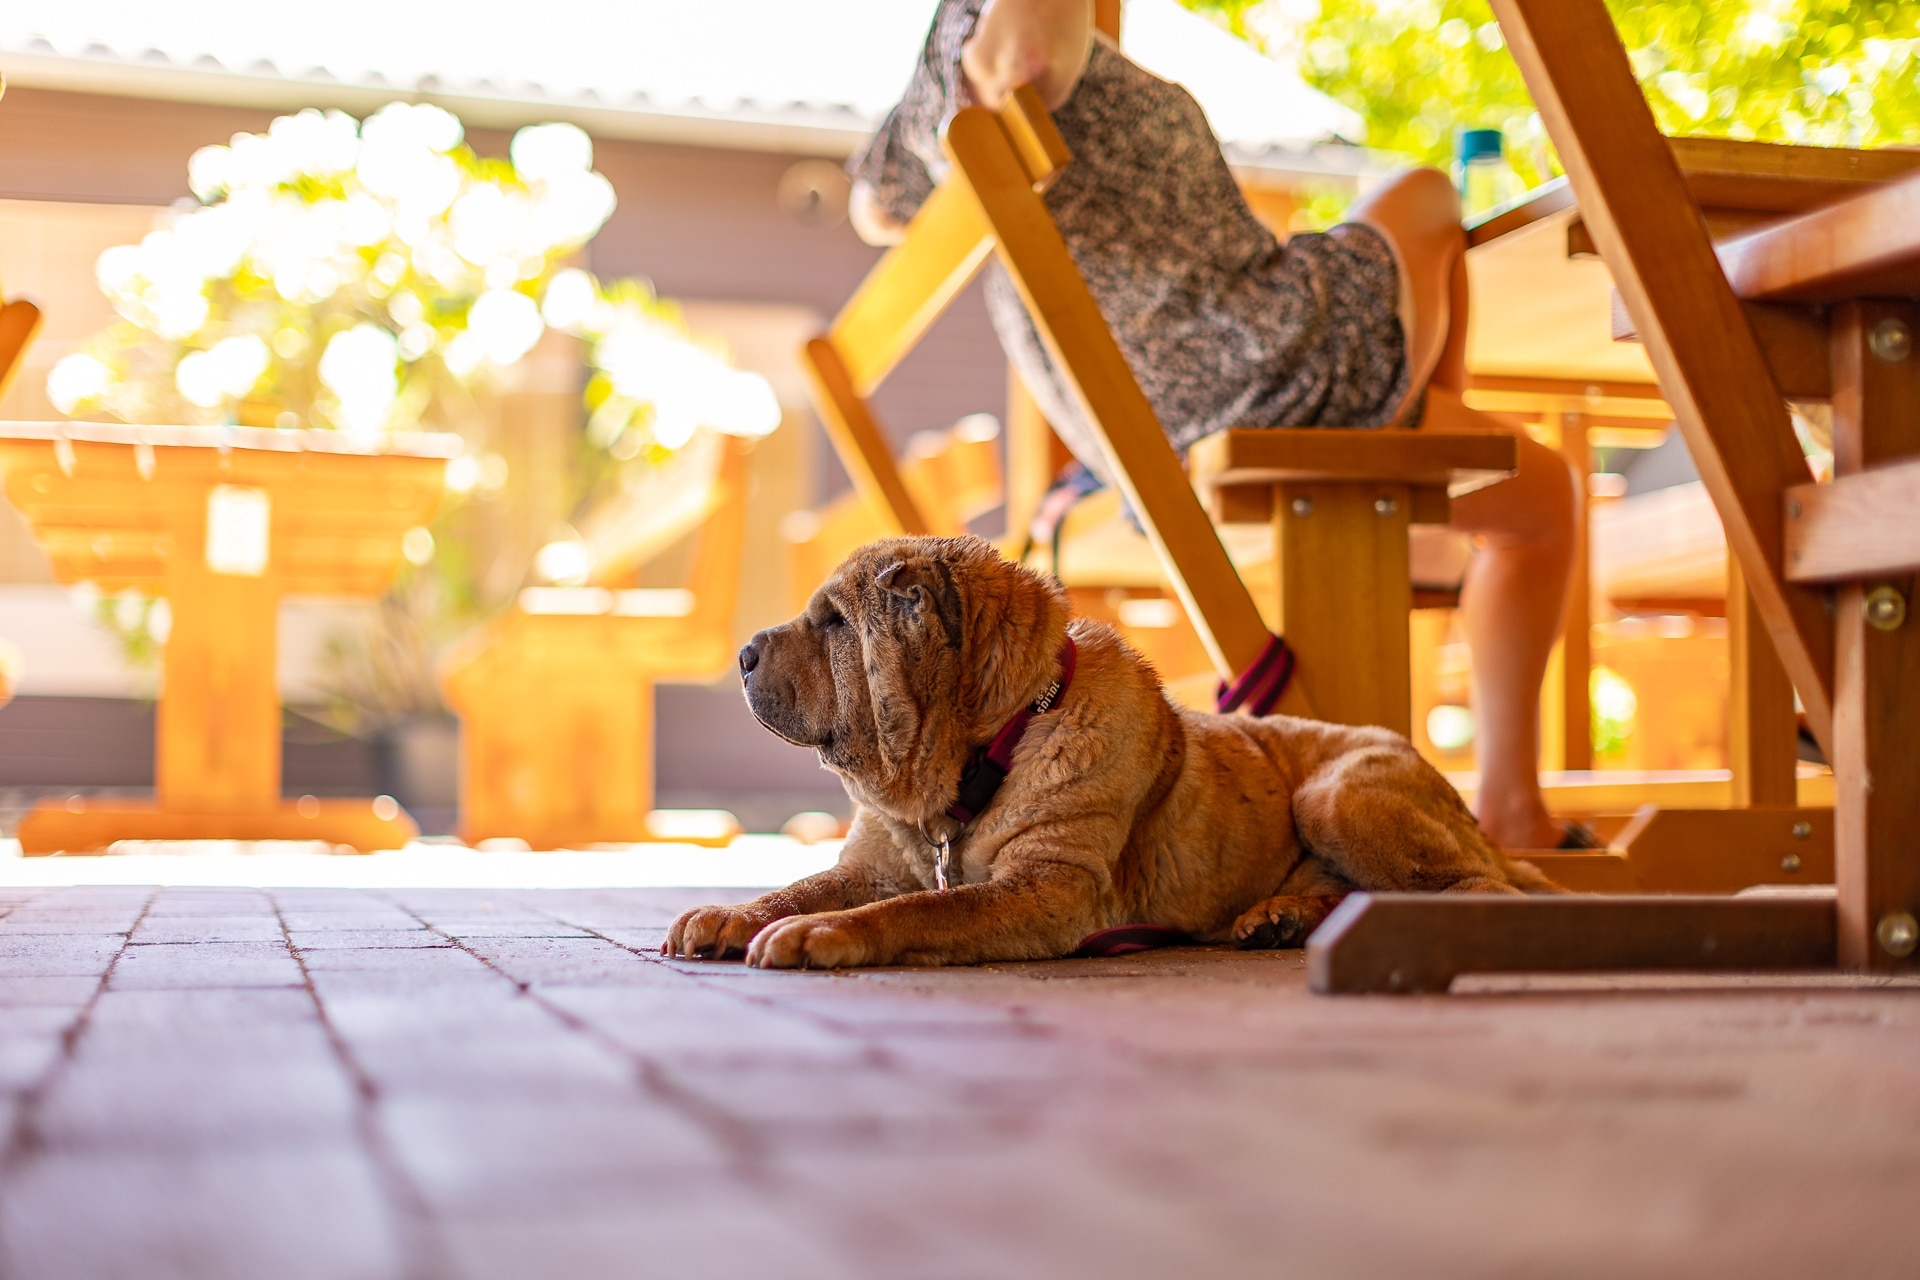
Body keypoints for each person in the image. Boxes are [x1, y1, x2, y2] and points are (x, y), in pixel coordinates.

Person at [847, 0, 1581, 851]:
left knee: (1409, 242)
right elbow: (1024, 51)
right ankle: (1508, 793)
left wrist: (967, 122)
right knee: (1427, 205)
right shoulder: (1003, 33)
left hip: (1149, 434)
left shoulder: (943, 48)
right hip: (1254, 369)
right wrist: (1007, 72)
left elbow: (879, 204)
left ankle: (1420, 510)